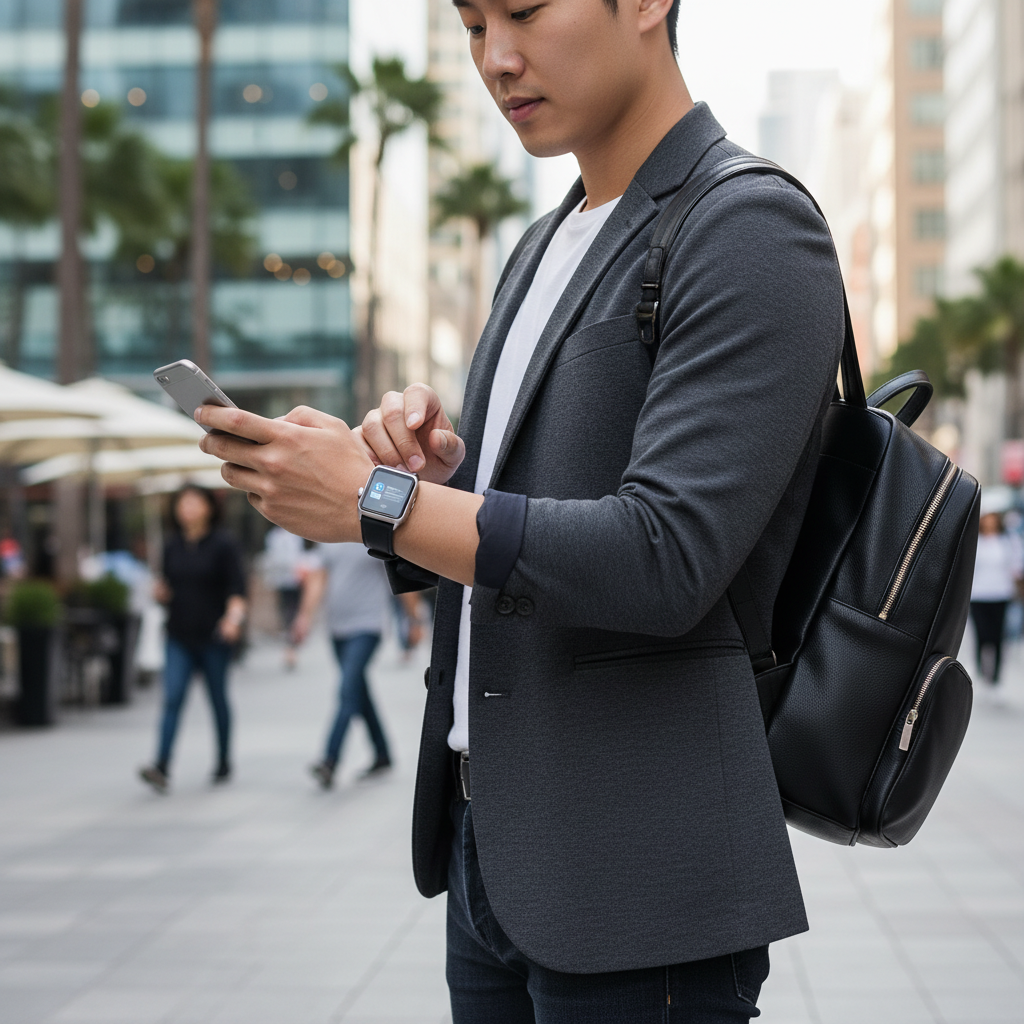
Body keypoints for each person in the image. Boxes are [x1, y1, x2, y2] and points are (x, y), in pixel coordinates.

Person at [194, 0, 845, 1018]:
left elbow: (665, 556)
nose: (497, 57)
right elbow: (526, 531)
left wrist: (381, 503)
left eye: (527, 10)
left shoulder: (749, 223)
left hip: (640, 873)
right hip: (493, 846)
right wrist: (426, 474)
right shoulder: (545, 242)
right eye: (469, 23)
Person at [139, 485, 247, 793]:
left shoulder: (224, 544)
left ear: (208, 507)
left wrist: (233, 620)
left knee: (217, 699)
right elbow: (167, 587)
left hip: (214, 636)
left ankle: (224, 760)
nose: (186, 508)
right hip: (178, 635)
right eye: (181, 503)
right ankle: (161, 764)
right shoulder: (172, 545)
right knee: (172, 698)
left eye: (193, 502)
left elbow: (237, 589)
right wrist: (160, 593)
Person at [291, 543, 425, 788]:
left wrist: (414, 621)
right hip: (336, 630)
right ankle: (382, 753)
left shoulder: (372, 539)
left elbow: (402, 581)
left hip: (367, 627)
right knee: (357, 691)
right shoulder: (329, 538)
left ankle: (329, 760)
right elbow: (318, 580)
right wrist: (304, 616)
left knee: (347, 690)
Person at [970, 511, 1023, 685]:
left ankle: (996, 676)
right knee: (981, 634)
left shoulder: (1008, 542)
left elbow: (1017, 566)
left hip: (1000, 594)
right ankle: (980, 671)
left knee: (998, 636)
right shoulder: (975, 542)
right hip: (978, 595)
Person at [261, 525, 309, 670]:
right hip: (282, 580)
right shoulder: (273, 536)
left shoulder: (295, 533)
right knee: (286, 612)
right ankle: (290, 644)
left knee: (291, 612)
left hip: (294, 579)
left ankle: (291, 646)